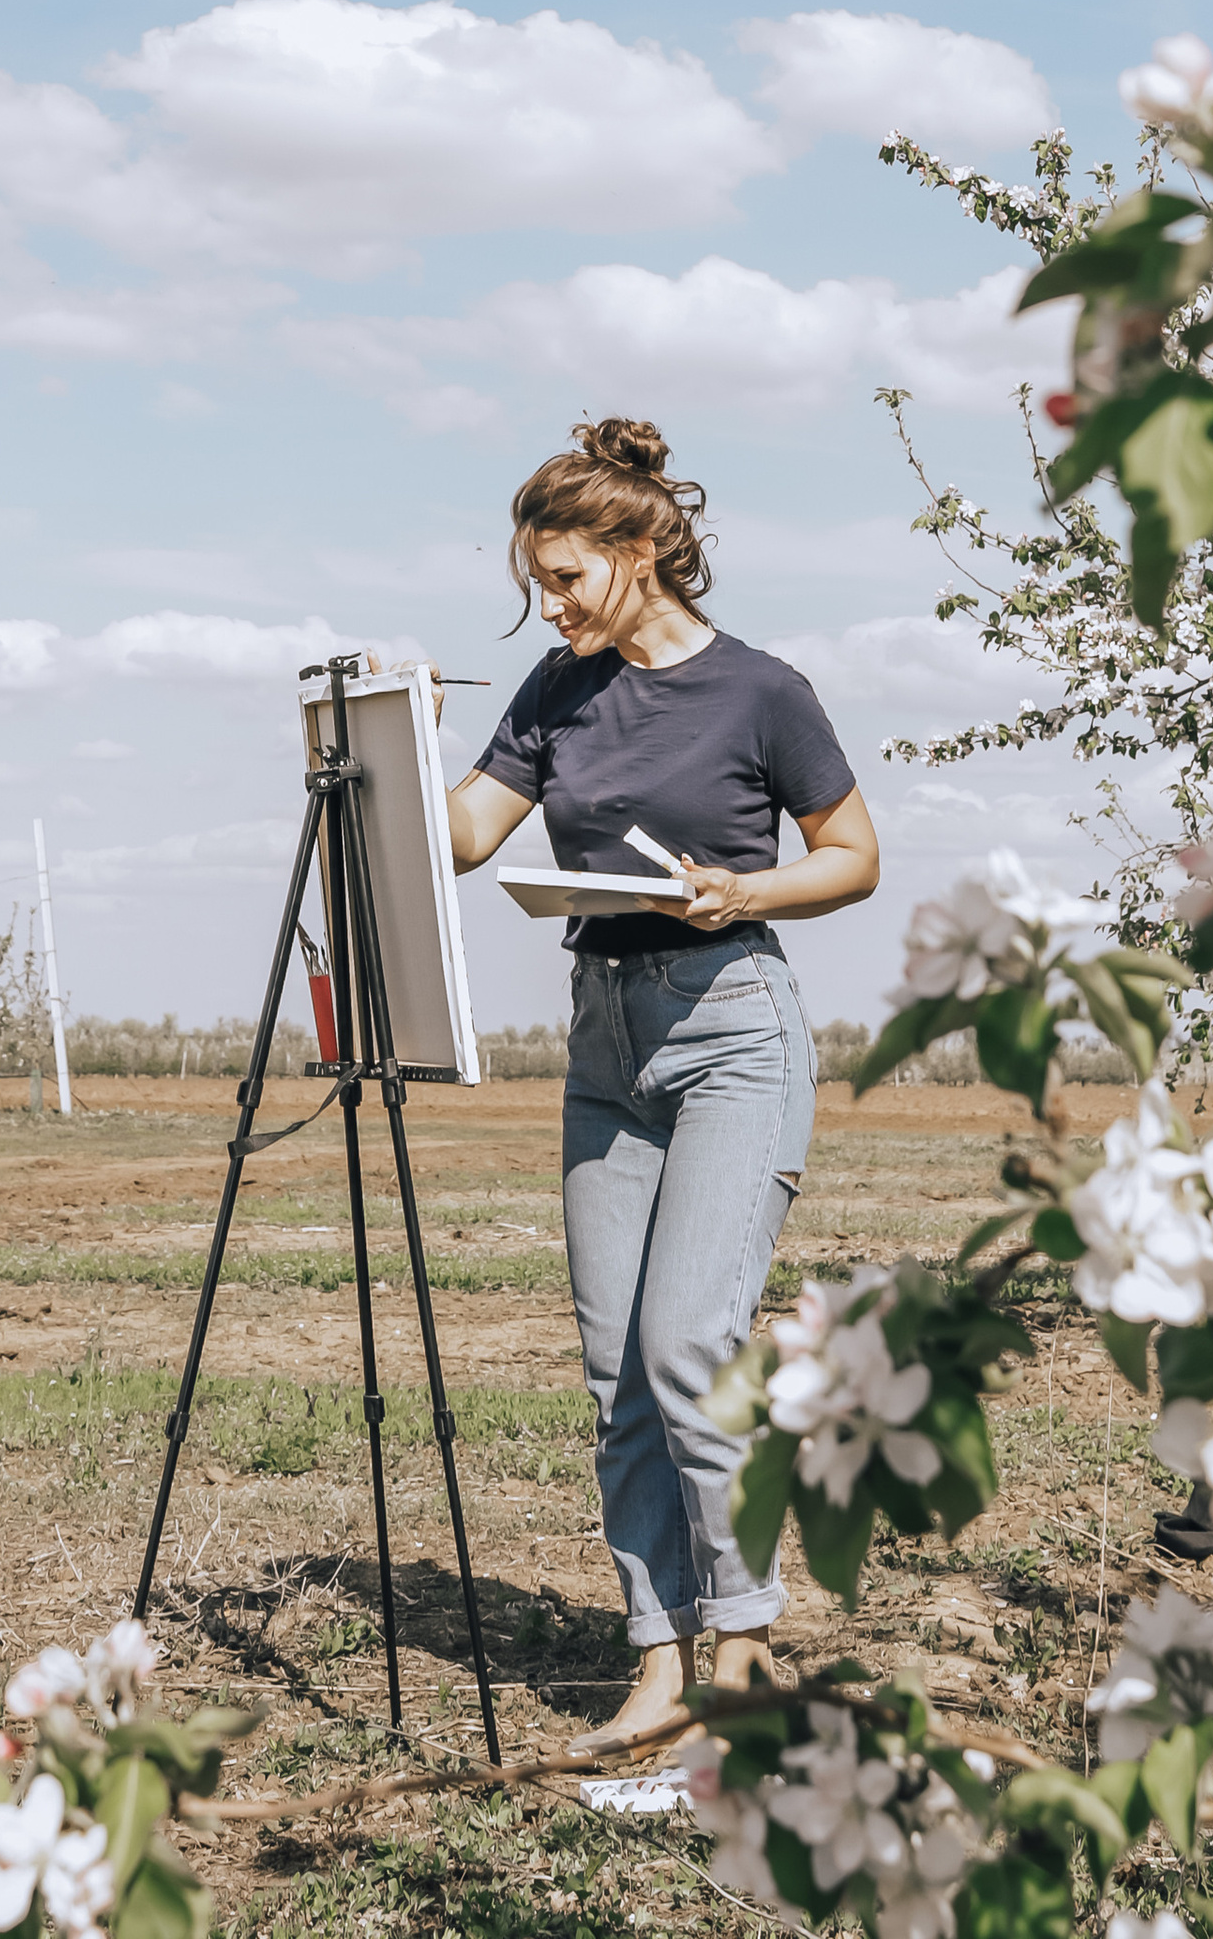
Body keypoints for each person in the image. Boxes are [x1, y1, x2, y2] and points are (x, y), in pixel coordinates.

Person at [441, 416, 879, 1746]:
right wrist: (386, 746)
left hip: (732, 1025)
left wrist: (746, 890)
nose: (551, 604)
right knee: (615, 1372)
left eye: (567, 577)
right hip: (606, 1040)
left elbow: (853, 856)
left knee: (690, 1344)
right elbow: (465, 836)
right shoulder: (555, 688)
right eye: (538, 583)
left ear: (639, 551)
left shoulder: (761, 692)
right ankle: (659, 1665)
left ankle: (742, 1652)